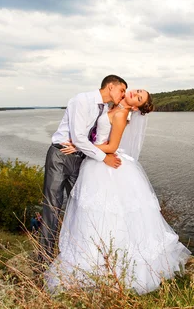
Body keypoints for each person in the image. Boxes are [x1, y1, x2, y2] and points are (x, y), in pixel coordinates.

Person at [46, 89, 191, 295]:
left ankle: (112, 261)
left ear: (135, 107)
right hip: (93, 163)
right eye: (138, 91)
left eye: (139, 98)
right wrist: (82, 144)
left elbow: (112, 145)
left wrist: (80, 145)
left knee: (110, 212)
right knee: (93, 212)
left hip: (106, 165)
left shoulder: (122, 114)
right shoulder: (111, 106)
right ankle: (95, 255)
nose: (135, 93)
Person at [40, 75, 127, 259]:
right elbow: (79, 137)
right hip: (60, 156)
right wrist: (104, 157)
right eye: (122, 90)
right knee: (53, 206)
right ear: (110, 87)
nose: (123, 94)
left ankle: (73, 254)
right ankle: (44, 258)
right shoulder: (81, 100)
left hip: (81, 160)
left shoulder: (104, 108)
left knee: (80, 206)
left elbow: (94, 137)